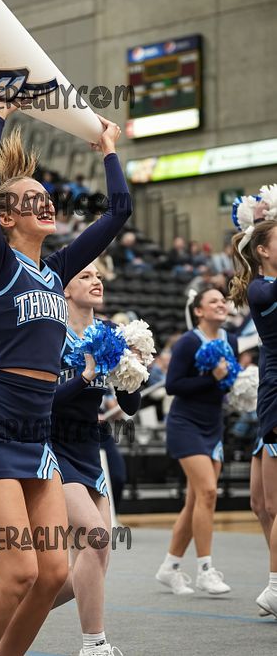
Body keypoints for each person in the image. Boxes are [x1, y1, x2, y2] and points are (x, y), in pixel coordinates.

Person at [0, 97, 131, 656]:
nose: (47, 203)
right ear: (7, 218)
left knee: (53, 573)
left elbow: (118, 212)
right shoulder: (0, 265)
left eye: (47, 196)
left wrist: (107, 151)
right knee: (19, 575)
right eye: (32, 200)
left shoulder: (55, 273)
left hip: (37, 436)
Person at [51, 263, 140, 656]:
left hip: (89, 447)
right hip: (52, 444)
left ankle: (20, 609)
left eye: (99, 275)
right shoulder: (50, 332)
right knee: (97, 538)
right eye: (85, 276)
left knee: (97, 556)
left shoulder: (108, 334)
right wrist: (85, 376)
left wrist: (133, 369)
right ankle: (95, 645)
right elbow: (40, 402)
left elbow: (130, 405)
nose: (96, 281)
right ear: (65, 289)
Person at [155, 287, 238, 595]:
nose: (221, 304)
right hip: (185, 424)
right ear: (199, 311)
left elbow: (223, 386)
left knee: (196, 502)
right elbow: (173, 385)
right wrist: (211, 378)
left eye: (223, 300)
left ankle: (169, 567)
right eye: (213, 300)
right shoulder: (189, 341)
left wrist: (235, 384)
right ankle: (205, 570)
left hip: (213, 425)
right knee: (208, 492)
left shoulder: (230, 339)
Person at [230, 217, 277, 617]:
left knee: (265, 503)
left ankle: (275, 581)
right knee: (267, 504)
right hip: (275, 394)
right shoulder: (261, 287)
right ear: (262, 251)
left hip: (270, 391)